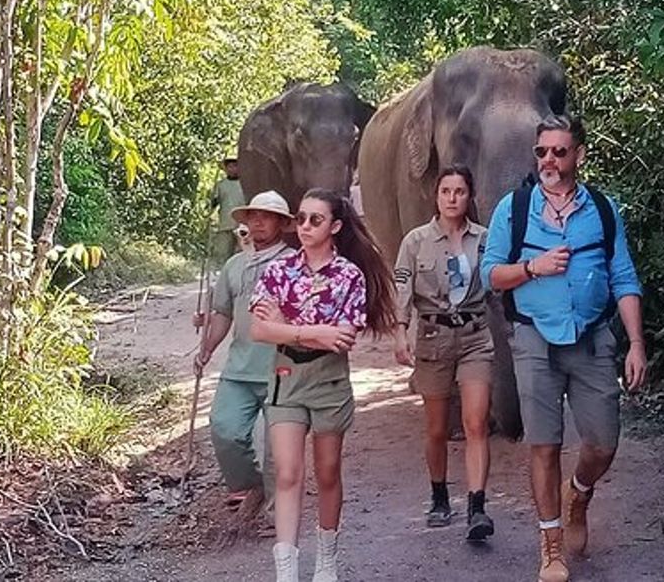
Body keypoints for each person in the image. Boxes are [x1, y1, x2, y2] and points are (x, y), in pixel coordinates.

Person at [480, 114, 648, 582]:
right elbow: (490, 275)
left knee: (603, 441)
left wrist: (636, 343)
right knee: (544, 445)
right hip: (534, 336)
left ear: (579, 155)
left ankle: (580, 492)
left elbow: (624, 279)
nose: (549, 160)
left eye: (558, 151)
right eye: (541, 152)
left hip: (593, 336)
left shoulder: (603, 208)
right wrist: (532, 268)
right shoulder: (513, 210)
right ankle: (550, 547)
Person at [249, 189, 398, 582]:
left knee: (328, 471)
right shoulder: (279, 270)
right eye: (300, 218)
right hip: (286, 377)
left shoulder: (349, 275)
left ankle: (326, 562)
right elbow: (259, 329)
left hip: (329, 379)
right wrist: (312, 331)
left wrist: (287, 325)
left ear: (335, 227)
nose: (305, 227)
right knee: (287, 472)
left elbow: (343, 339)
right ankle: (286, 572)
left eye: (316, 220)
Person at [393, 165, 495, 541]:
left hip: (475, 336)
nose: (453, 198)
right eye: (446, 191)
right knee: (437, 428)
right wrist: (400, 331)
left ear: (470, 196)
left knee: (475, 423)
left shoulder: (484, 239)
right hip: (433, 338)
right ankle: (439, 496)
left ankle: (477, 506)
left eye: (460, 191)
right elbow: (401, 284)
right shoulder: (415, 241)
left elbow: (500, 279)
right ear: (436, 197)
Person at [194, 191, 296, 512]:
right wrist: (207, 348)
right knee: (225, 428)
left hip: (282, 369)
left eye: (266, 216)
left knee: (278, 449)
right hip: (239, 368)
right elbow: (223, 312)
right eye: (253, 216)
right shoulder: (234, 265)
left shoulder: (294, 264)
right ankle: (247, 487)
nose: (258, 222)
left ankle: (276, 514)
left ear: (281, 223)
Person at [209, 157, 247, 264]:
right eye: (230, 166)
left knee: (242, 252)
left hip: (242, 224)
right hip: (225, 224)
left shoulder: (245, 184)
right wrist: (211, 205)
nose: (232, 169)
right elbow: (214, 202)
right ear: (226, 169)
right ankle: (224, 274)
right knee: (224, 253)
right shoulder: (221, 185)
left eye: (235, 166)